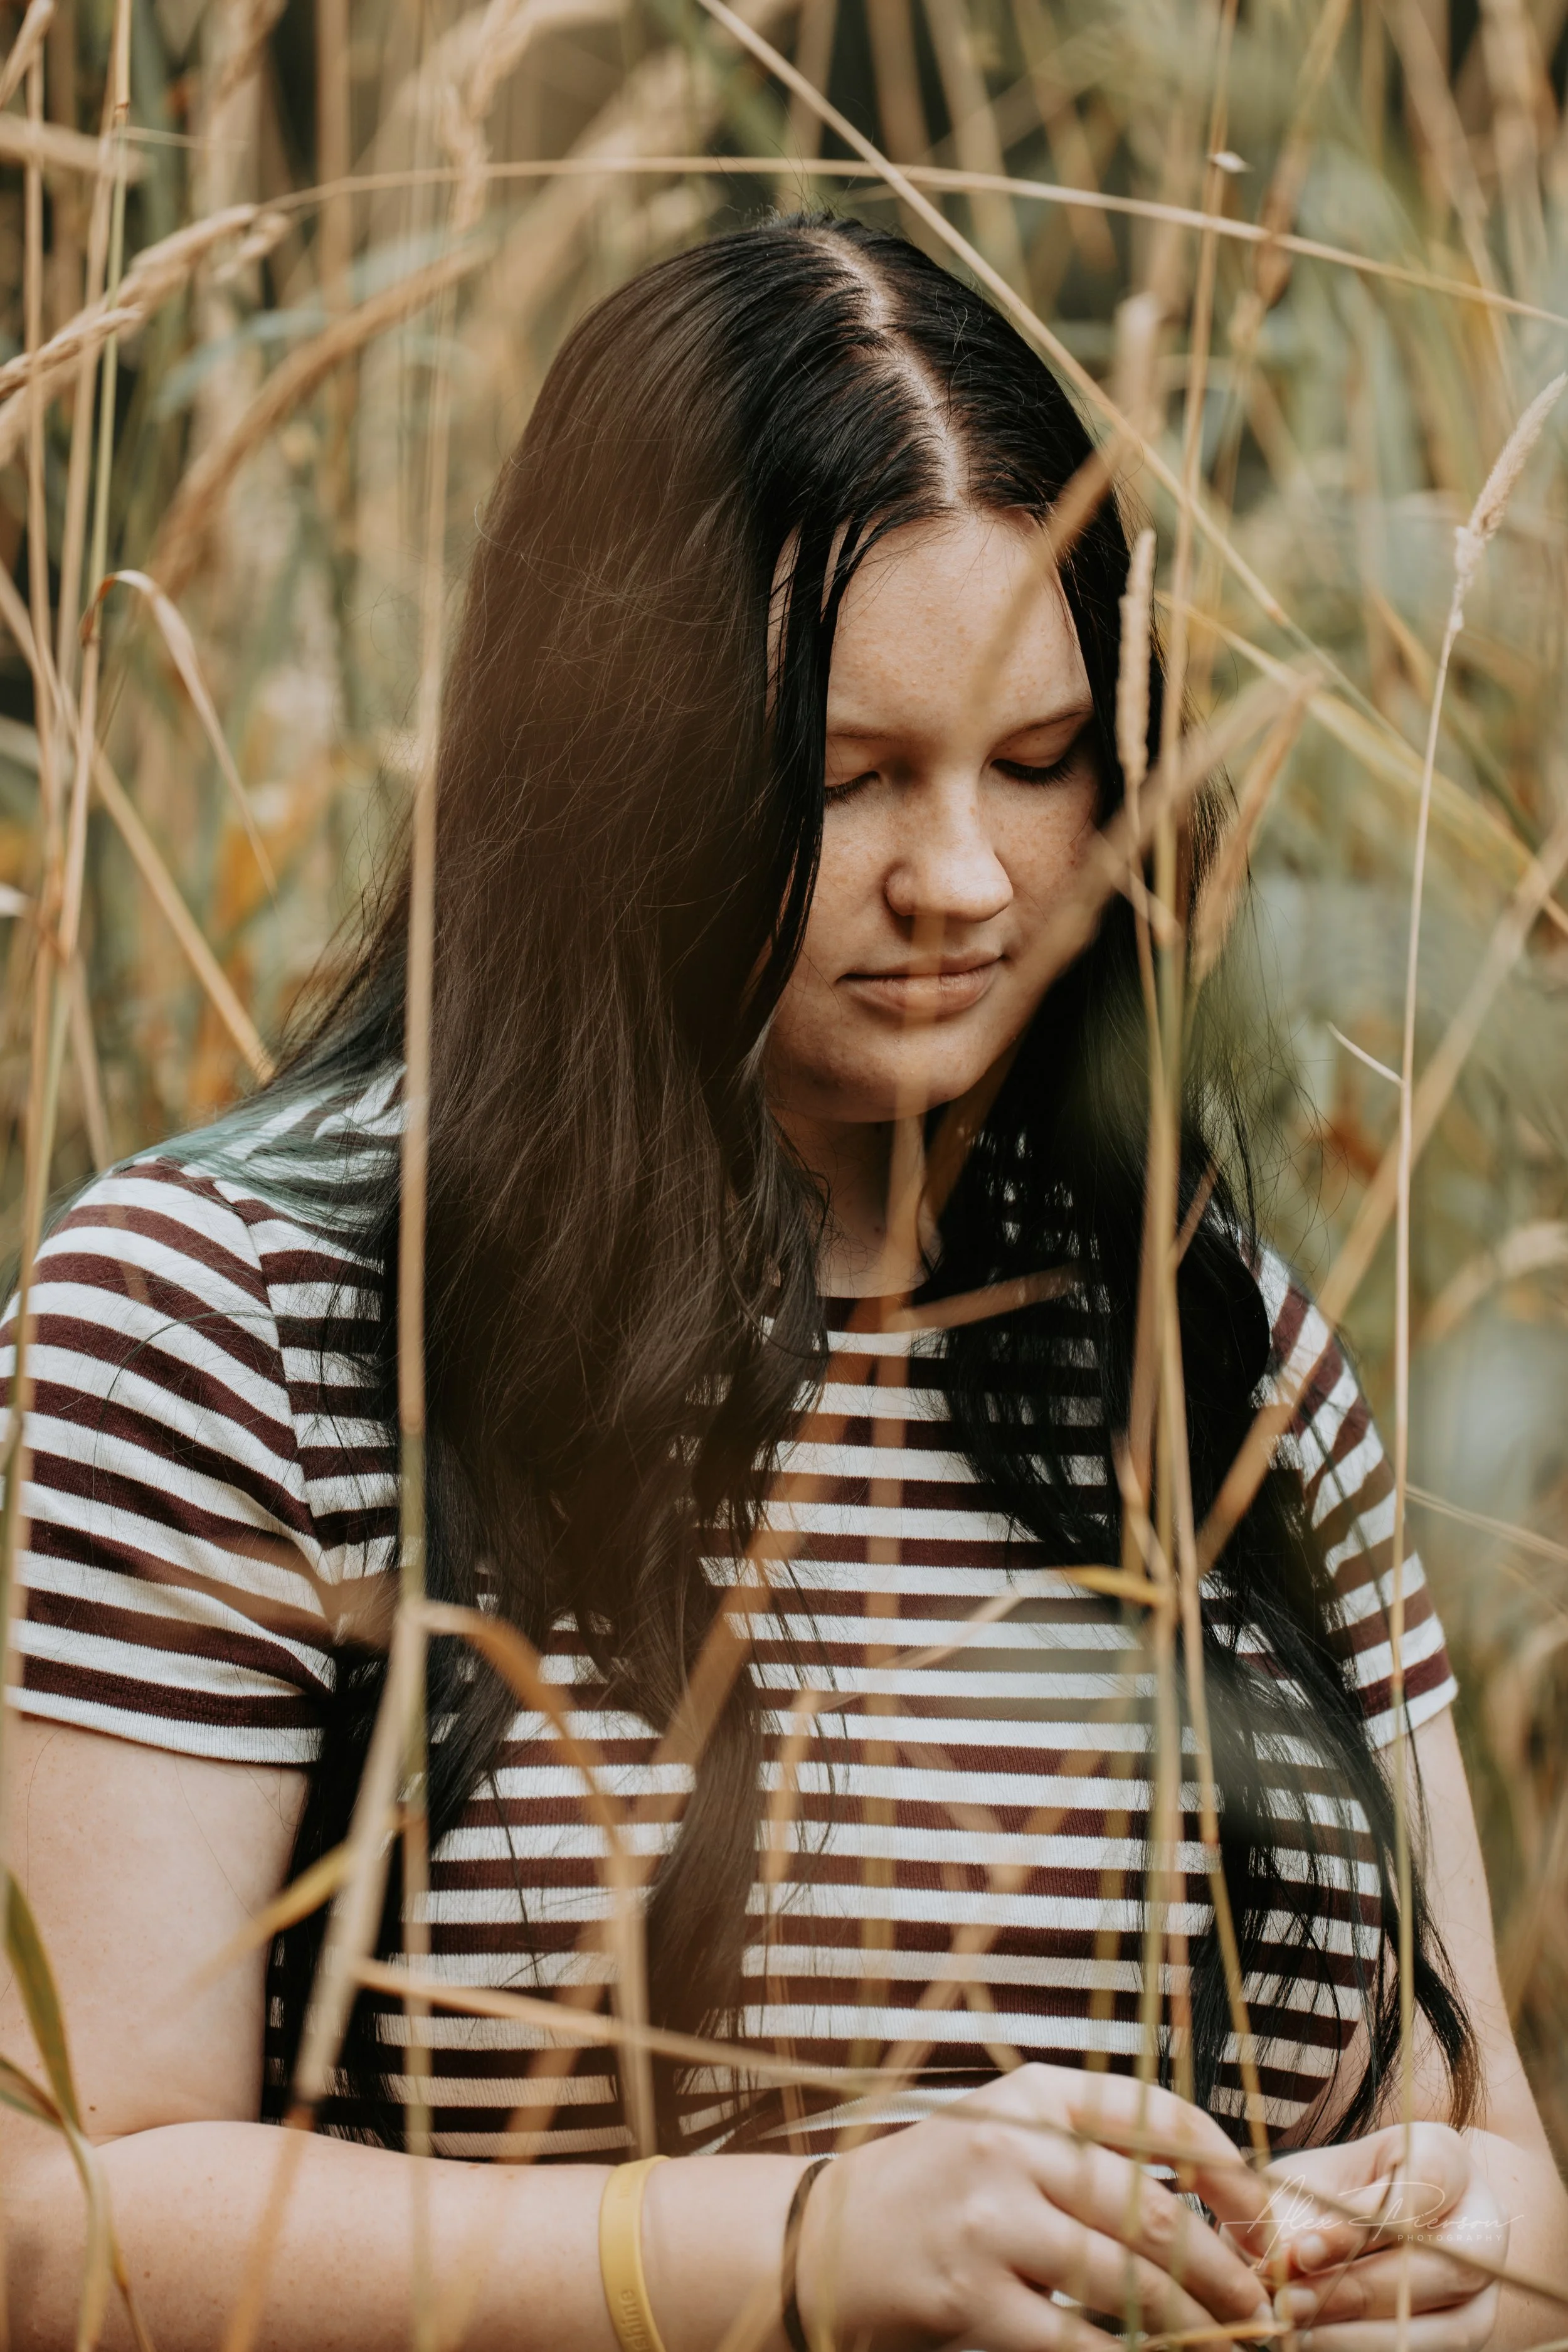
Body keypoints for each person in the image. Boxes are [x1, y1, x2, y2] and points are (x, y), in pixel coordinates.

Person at [1, 216, 1563, 2352]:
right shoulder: (229, 1312)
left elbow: (1494, 2156)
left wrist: (1466, 2257)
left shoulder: (1219, 1336)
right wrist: (792, 2249)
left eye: (1038, 762)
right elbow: (53, 2222)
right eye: (841, 781)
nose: (967, 876)